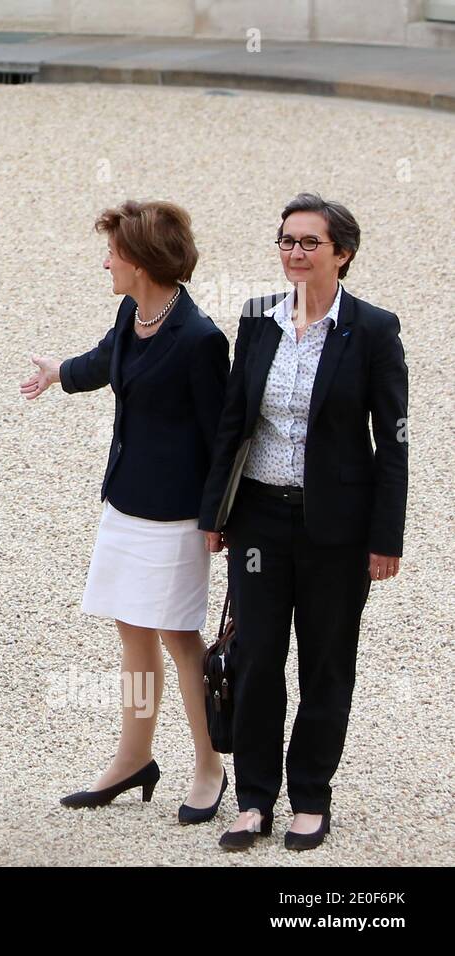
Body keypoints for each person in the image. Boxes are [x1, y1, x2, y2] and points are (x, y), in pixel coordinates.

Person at [199, 193, 408, 851]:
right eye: (286, 240)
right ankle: (254, 799)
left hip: (338, 530)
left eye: (308, 242)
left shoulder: (373, 330)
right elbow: (234, 421)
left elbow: (393, 441)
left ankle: (310, 796)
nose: (294, 252)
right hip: (259, 518)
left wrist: (385, 536)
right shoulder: (258, 319)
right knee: (257, 658)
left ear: (341, 254)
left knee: (325, 664)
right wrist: (215, 514)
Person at [21, 200, 230, 822]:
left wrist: (219, 517)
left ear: (139, 261)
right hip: (125, 504)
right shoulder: (131, 312)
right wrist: (61, 373)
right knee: (131, 630)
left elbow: (222, 436)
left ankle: (209, 764)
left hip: (177, 517)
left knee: (178, 636)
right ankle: (134, 756)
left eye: (112, 251)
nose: (105, 261)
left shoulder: (200, 339)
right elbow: (109, 358)